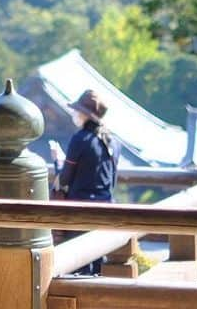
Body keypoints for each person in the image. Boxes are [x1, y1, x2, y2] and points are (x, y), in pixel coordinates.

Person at [49, 88, 121, 275]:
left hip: (80, 211)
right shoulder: (113, 141)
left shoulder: (80, 139)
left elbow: (65, 178)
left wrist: (58, 161)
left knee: (78, 267)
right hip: (106, 211)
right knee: (98, 266)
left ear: (84, 114)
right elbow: (110, 179)